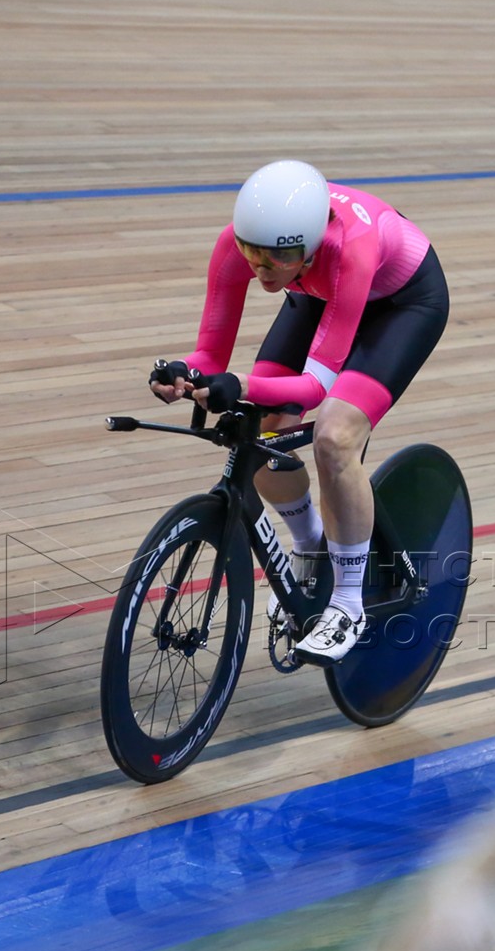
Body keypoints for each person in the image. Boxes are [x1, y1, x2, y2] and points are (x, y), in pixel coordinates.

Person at [149, 159, 450, 665]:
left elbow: (314, 388)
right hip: (319, 293)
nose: (262, 268)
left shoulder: (349, 247)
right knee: (260, 428)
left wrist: (240, 384)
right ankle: (310, 543)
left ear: (306, 247)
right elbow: (210, 356)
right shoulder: (243, 245)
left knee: (334, 436)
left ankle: (348, 603)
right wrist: (185, 372)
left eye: (277, 257)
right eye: (253, 254)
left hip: (402, 305)